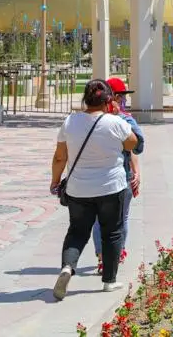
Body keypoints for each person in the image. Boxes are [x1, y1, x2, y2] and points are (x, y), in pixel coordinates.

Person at [50, 80, 138, 300]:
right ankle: (109, 280)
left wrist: (55, 181)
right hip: (111, 187)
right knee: (112, 232)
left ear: (85, 100)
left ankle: (67, 267)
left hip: (78, 189)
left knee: (77, 231)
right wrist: (115, 118)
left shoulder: (70, 121)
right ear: (109, 100)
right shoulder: (115, 122)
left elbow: (60, 157)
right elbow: (132, 144)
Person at [91, 78, 143, 276]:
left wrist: (137, 171)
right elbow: (138, 145)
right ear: (112, 97)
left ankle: (106, 256)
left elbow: (133, 150)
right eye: (121, 96)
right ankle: (111, 255)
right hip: (118, 175)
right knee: (119, 218)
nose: (123, 100)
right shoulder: (124, 120)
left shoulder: (90, 120)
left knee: (102, 219)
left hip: (99, 176)